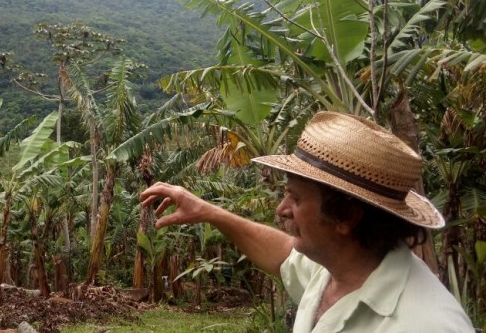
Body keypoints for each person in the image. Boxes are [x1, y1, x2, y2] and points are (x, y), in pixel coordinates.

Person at [140, 111, 474, 332]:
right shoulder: (337, 267)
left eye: (296, 199)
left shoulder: (425, 323)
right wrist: (206, 211)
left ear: (346, 216)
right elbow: (284, 254)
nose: (282, 209)